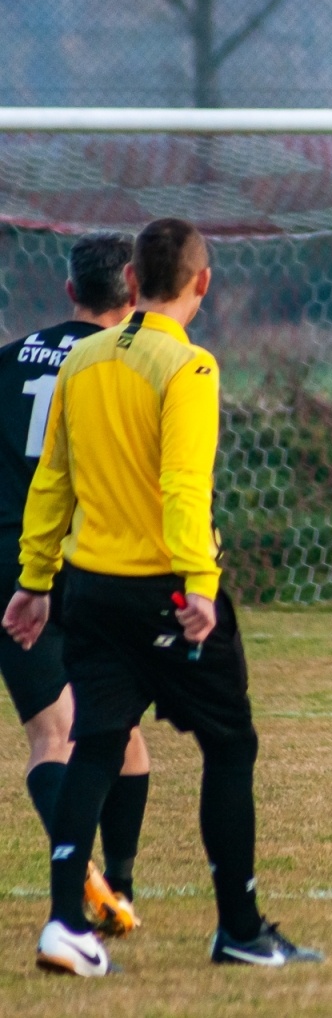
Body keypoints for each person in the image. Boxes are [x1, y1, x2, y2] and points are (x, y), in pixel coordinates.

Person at [2, 217, 321, 976]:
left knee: (95, 744)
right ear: (202, 283)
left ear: (133, 281)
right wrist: (199, 583)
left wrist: (35, 581)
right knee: (230, 745)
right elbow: (183, 484)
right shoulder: (189, 367)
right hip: (164, 594)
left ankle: (64, 926)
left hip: (90, 591)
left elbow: (53, 482)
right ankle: (239, 928)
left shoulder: (83, 360)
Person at [0, 233, 149, 937]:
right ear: (134, 290)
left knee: (50, 735)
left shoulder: (8, 361)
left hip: (9, 565)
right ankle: (116, 884)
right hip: (94, 560)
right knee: (120, 733)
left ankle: (87, 876)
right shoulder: (126, 366)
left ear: (69, 291)